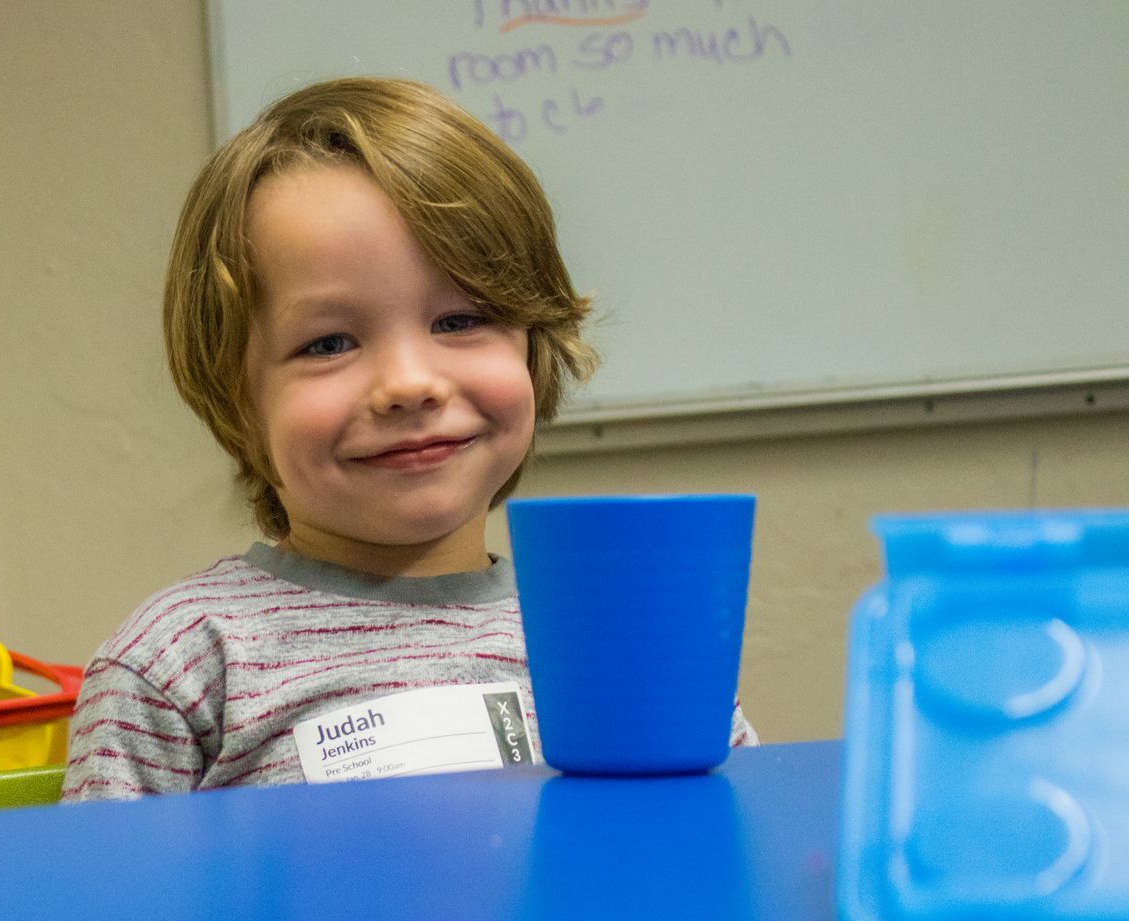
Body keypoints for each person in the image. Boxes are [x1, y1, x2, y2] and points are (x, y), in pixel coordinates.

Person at [62, 77, 753, 802]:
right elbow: (107, 913)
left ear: (532, 344)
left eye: (458, 321)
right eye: (329, 342)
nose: (409, 383)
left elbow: (728, 859)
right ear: (236, 394)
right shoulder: (180, 666)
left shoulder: (627, 636)